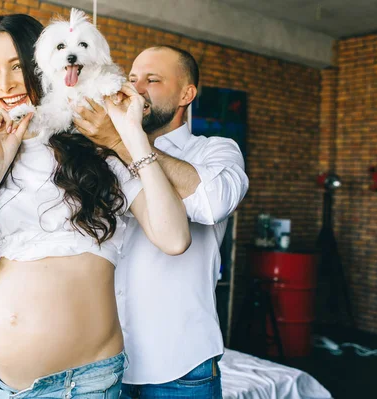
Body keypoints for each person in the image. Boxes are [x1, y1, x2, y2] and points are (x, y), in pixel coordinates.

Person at [0, 15, 191, 399]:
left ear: (48, 64)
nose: (4, 84)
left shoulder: (97, 144)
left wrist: (131, 137)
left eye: (18, 66)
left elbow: (175, 239)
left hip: (79, 385)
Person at [73, 46, 249, 398]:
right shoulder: (102, 158)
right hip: (101, 363)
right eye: (133, 79)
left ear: (187, 94)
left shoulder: (215, 151)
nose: (137, 89)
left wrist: (122, 143)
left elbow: (213, 203)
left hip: (180, 366)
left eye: (152, 80)